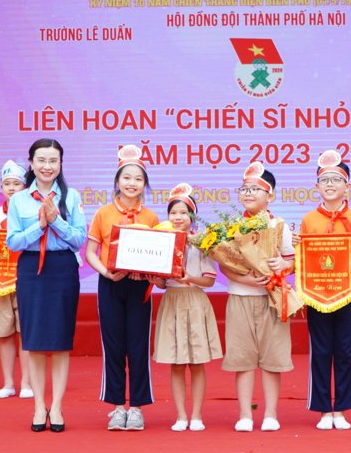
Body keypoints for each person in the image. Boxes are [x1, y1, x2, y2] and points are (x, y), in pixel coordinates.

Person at [6, 139, 87, 432]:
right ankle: (39, 405)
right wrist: (39, 225)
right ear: (31, 162)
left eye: (53, 160)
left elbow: (79, 239)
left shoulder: (71, 197)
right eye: (41, 160)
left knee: (61, 342)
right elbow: (13, 242)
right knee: (36, 342)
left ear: (61, 164)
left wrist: (56, 221)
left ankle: (57, 407)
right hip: (31, 270)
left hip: (62, 269)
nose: (47, 166)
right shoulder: (19, 200)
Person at [85, 144, 160, 431]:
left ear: (145, 185)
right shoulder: (103, 213)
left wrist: (149, 273)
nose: (132, 184)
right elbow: (91, 252)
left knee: (139, 347)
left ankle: (137, 407)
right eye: (126, 178)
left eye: (138, 179)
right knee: (114, 346)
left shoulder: (151, 217)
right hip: (111, 285)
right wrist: (106, 272)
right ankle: (117, 407)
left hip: (139, 287)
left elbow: (157, 255)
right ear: (117, 181)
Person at [296, 150, 351, 430]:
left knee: (345, 349)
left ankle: (342, 408)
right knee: (321, 349)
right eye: (324, 180)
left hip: (347, 291)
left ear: (347, 187)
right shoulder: (308, 220)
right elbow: (304, 259)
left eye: (335, 180)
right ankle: (324, 408)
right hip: (316, 292)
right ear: (317, 187)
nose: (329, 185)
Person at [222, 161, 294, 432]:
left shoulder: (279, 226)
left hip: (272, 298)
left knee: (272, 358)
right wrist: (243, 278)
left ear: (270, 195)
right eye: (244, 189)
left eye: (255, 189)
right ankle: (245, 414)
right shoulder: (232, 226)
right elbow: (224, 263)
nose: (248, 193)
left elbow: (291, 260)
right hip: (240, 297)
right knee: (243, 358)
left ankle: (271, 414)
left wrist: (284, 266)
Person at [152, 184, 222, 432]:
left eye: (183, 212)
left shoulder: (202, 242)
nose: (178, 217)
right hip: (172, 301)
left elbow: (210, 281)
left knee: (197, 362)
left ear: (192, 216)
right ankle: (181, 415)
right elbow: (161, 282)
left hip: (194, 300)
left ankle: (197, 415)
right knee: (177, 362)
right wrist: (156, 279)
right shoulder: (161, 241)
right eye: (173, 213)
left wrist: (189, 278)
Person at [0, 160, 32, 399]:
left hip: (25, 279)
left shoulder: (31, 212)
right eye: (7, 184)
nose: (11, 188)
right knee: (4, 332)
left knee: (26, 333)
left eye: (16, 184)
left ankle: (27, 383)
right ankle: (8, 383)